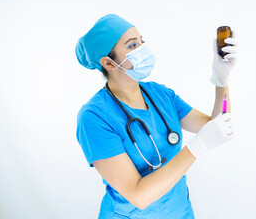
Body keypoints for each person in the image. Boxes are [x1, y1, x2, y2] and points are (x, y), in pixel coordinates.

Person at [75, 14, 237, 219]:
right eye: (132, 45)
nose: (142, 49)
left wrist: (222, 81)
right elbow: (138, 196)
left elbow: (218, 125)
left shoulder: (160, 94)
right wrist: (198, 147)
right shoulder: (94, 117)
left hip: (180, 212)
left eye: (142, 41)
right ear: (108, 63)